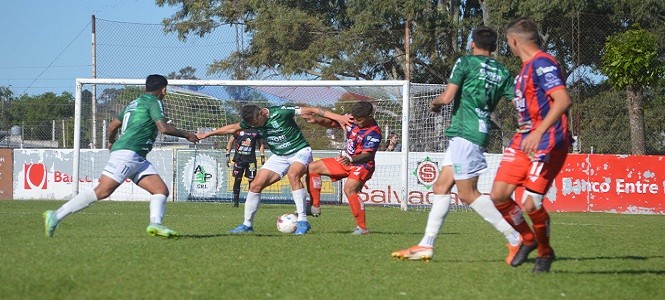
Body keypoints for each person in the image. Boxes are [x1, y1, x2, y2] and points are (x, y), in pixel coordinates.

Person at [391, 27, 526, 265]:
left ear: (473, 44)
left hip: (466, 131)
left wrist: (434, 104)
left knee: (468, 194)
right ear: (494, 48)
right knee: (441, 186)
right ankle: (426, 245)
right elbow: (518, 102)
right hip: (477, 131)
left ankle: (515, 238)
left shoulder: (465, 62)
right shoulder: (503, 71)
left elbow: (447, 97)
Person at [42, 74, 199, 238]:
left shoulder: (134, 103)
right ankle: (56, 215)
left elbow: (112, 126)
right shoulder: (155, 102)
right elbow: (164, 128)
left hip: (136, 156)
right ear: (164, 89)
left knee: (160, 190)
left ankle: (156, 225)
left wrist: (111, 142)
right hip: (129, 153)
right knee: (102, 191)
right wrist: (187, 134)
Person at [490, 18, 573, 273]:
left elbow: (562, 100)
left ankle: (545, 253)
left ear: (514, 41)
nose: (509, 47)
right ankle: (528, 238)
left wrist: (538, 131)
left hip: (548, 142)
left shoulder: (543, 63)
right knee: (498, 195)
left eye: (508, 42)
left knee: (531, 204)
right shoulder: (524, 70)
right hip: (524, 140)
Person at [196, 104, 353, 235]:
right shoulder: (252, 121)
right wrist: (208, 134)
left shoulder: (281, 112)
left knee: (293, 175)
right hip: (279, 156)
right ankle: (247, 225)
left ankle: (303, 221)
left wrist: (338, 117)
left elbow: (310, 109)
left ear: (262, 113)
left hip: (299, 151)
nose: (255, 126)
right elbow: (232, 128)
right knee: (255, 185)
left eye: (257, 122)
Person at [304, 101, 382, 235]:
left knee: (349, 189)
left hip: (362, 165)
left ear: (369, 116)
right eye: (355, 119)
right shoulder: (351, 119)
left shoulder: (374, 132)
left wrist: (350, 159)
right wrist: (317, 120)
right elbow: (332, 123)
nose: (356, 122)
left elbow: (367, 155)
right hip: (345, 161)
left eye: (360, 120)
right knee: (312, 167)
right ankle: (315, 206)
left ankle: (362, 228)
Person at [225, 128, 265, 207]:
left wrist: (262, 155)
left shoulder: (255, 131)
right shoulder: (238, 130)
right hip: (239, 160)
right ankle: (236, 202)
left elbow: (261, 144)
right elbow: (230, 141)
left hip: (251, 161)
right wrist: (227, 155)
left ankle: (250, 202)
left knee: (252, 181)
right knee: (238, 179)